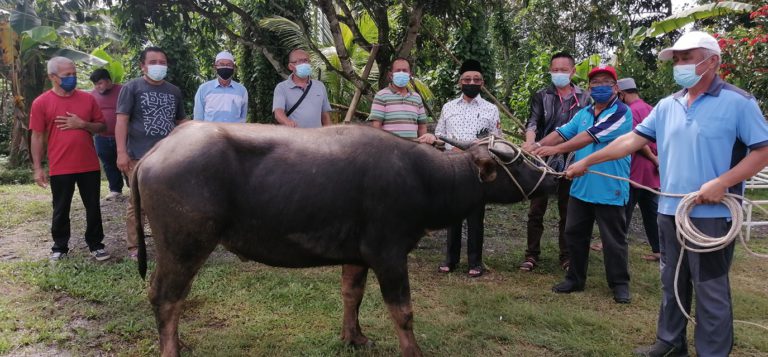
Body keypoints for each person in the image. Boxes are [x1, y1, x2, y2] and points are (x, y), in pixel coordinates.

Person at [566, 31, 768, 357]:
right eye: (676, 60)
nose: (679, 65)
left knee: (710, 288)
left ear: (712, 61)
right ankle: (670, 342)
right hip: (670, 211)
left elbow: (762, 150)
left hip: (714, 216)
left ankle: (712, 352)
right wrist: (587, 160)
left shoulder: (738, 103)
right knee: (671, 282)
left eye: (686, 58)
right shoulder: (666, 105)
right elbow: (630, 142)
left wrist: (722, 182)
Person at [530, 64, 632, 304]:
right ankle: (575, 278)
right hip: (581, 186)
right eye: (595, 83)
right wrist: (536, 147)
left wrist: (553, 150)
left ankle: (619, 284)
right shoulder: (584, 113)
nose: (599, 87)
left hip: (610, 188)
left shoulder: (621, 113)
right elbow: (562, 132)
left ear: (615, 88)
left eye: (605, 82)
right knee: (574, 234)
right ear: (589, 87)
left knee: (613, 239)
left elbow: (587, 137)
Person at [418, 59, 501, 277]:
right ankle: (450, 259)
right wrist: (430, 137)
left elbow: (496, 140)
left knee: (475, 216)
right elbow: (440, 136)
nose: (471, 82)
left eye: (476, 79)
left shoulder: (491, 109)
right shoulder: (448, 107)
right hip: (452, 168)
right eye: (467, 79)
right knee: (452, 215)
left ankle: (475, 262)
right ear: (459, 82)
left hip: (477, 169)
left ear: (482, 83)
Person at [30, 56, 111, 262]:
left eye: (74, 74)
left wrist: (82, 124)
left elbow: (102, 127)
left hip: (88, 164)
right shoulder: (41, 103)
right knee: (60, 208)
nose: (72, 78)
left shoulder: (87, 99)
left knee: (93, 206)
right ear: (53, 77)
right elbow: (37, 136)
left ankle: (96, 244)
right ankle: (60, 247)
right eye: (67, 75)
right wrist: (38, 167)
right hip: (60, 165)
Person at [519, 52, 589, 272]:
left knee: (568, 210)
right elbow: (532, 122)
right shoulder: (541, 95)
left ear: (573, 71)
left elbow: (585, 130)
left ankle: (567, 256)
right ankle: (531, 255)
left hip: (573, 160)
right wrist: (531, 144)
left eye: (563, 69)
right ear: (550, 70)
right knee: (536, 208)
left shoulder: (586, 98)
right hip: (543, 160)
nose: (559, 73)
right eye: (555, 70)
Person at [115, 46, 186, 259]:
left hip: (169, 157)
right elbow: (121, 121)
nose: (158, 66)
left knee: (169, 201)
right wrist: (121, 152)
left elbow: (181, 121)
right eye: (153, 62)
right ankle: (134, 247)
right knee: (139, 203)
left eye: (162, 62)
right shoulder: (132, 88)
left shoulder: (174, 91)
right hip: (139, 156)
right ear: (142, 66)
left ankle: (167, 243)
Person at [617, 77, 661, 262]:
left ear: (622, 94)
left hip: (637, 169)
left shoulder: (630, 111)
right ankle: (659, 250)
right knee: (651, 211)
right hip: (650, 172)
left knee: (623, 208)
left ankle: (615, 243)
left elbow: (638, 141)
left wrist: (652, 158)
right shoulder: (650, 108)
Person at [368, 57, 428, 139]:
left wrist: (424, 147)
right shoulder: (381, 96)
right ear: (391, 74)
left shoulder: (416, 98)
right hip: (390, 149)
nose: (401, 73)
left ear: (410, 74)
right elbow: (376, 127)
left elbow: (422, 127)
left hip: (413, 149)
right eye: (398, 70)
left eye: (404, 70)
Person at [272, 48, 332, 128]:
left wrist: (330, 133)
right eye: (300, 61)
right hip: (293, 137)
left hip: (317, 137)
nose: (304, 64)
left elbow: (325, 115)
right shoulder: (282, 88)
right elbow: (278, 113)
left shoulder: (319, 86)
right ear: (291, 66)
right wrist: (287, 122)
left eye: (306, 60)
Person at [89, 68, 124, 201]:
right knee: (109, 163)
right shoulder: (92, 95)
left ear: (109, 81)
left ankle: (134, 187)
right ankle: (115, 189)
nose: (98, 87)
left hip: (124, 136)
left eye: (100, 83)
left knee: (127, 161)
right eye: (95, 84)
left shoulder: (122, 91)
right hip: (102, 137)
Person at [193, 51, 248, 123]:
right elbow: (198, 118)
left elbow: (243, 118)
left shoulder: (242, 90)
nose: (225, 67)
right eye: (221, 64)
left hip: (234, 133)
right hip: (211, 133)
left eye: (229, 65)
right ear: (215, 67)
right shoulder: (203, 89)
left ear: (233, 68)